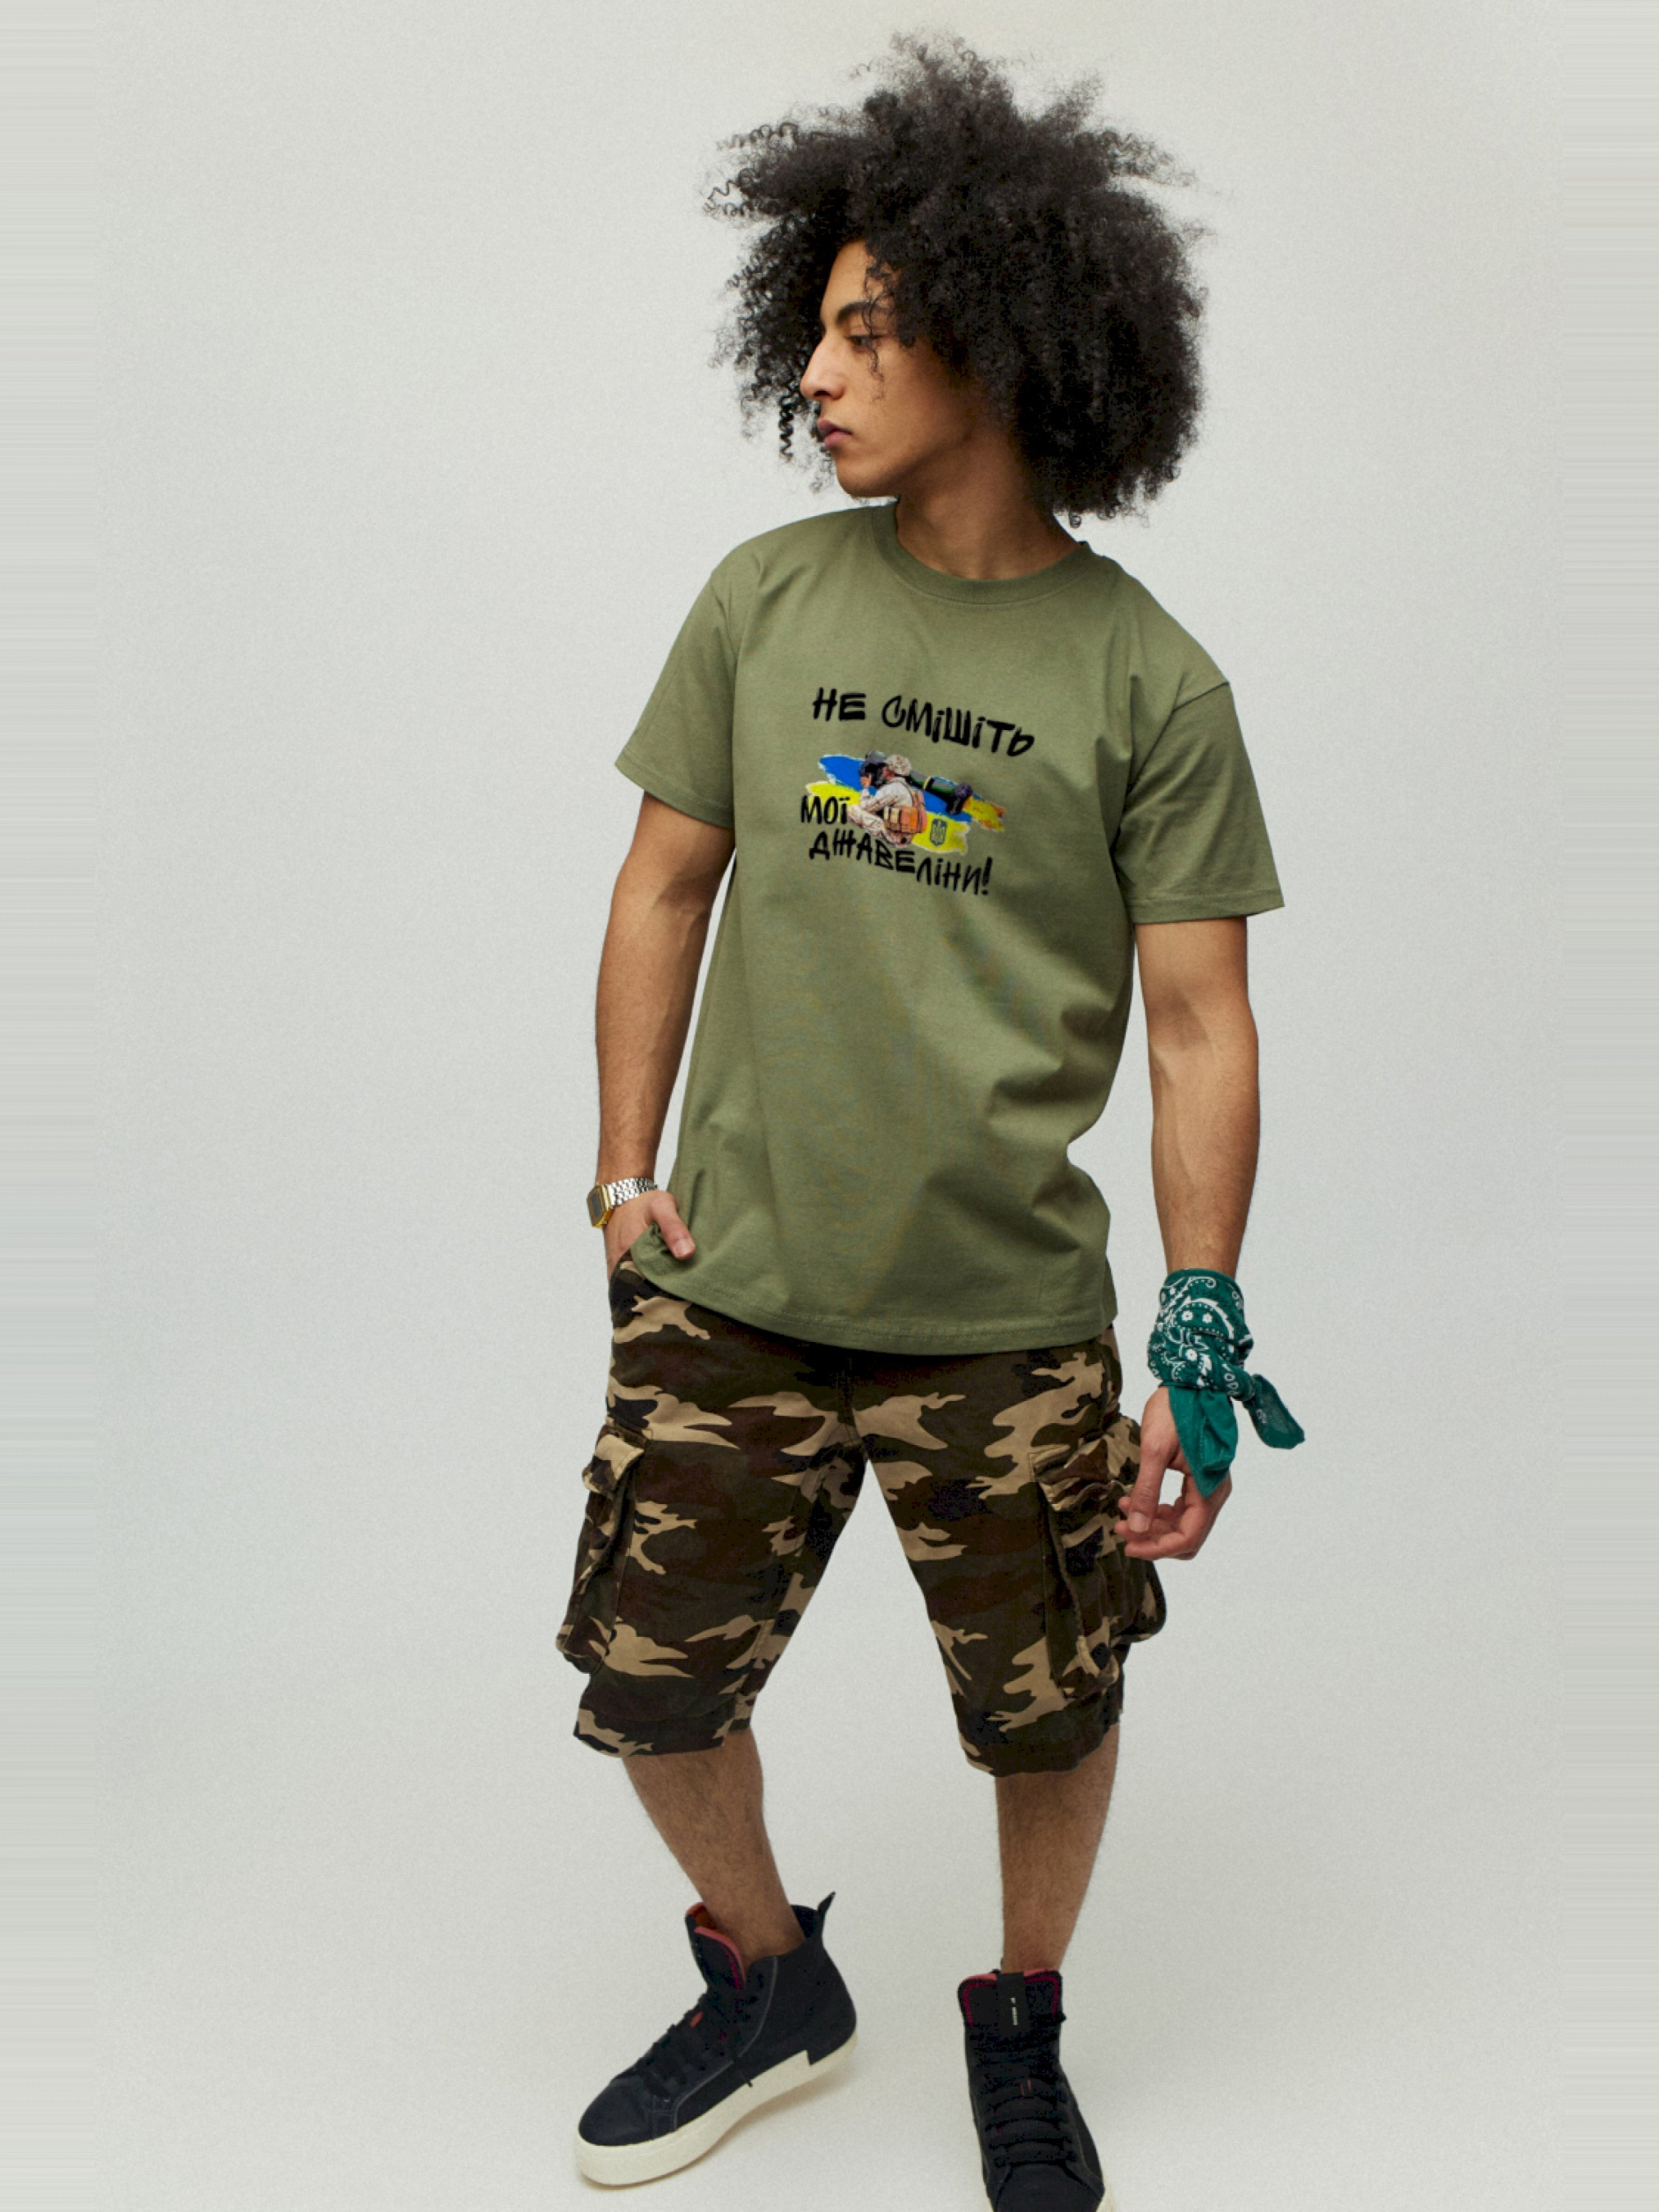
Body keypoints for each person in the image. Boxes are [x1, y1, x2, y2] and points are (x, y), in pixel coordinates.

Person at [558, 35, 1298, 2210]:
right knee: (648, 1686)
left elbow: (1200, 1024)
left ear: (1001, 333)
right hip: (732, 1286)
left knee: (1050, 1709)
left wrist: (1197, 1319)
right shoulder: (764, 598)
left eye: (867, 330)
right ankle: (770, 1976)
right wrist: (623, 1175)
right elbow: (661, 886)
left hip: (1003, 1319)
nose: (816, 373)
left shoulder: (1149, 680)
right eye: (812, 327)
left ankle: (1020, 2014)